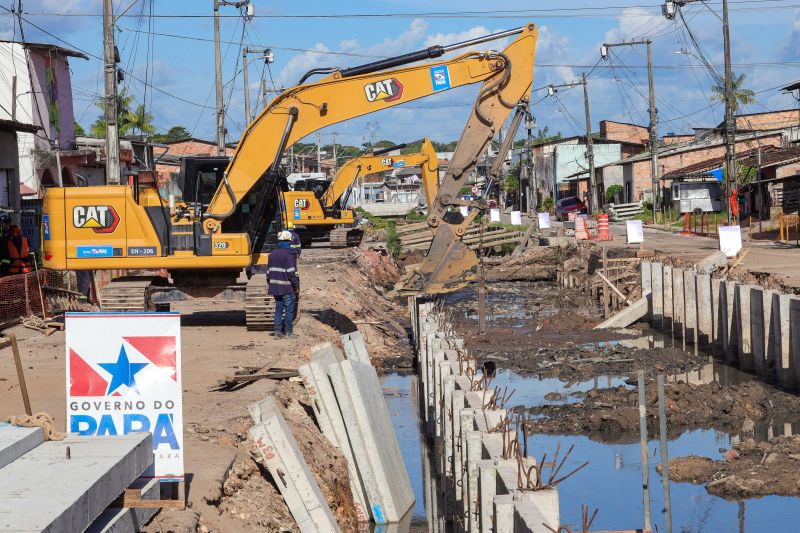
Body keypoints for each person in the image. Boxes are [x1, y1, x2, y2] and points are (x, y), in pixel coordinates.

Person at [267, 230, 299, 337]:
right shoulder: (288, 255)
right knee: (289, 310)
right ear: (289, 242)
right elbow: (291, 274)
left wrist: (272, 284)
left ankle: (277, 331)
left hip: (275, 288)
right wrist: (296, 286)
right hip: (286, 288)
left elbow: (268, 274)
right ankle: (288, 332)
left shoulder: (271, 255)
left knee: (278, 309)